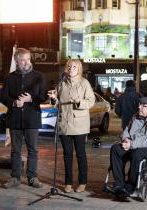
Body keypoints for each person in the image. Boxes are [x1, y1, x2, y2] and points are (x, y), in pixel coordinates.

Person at [1, 48, 48, 189]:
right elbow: (3, 97)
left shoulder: (39, 76)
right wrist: (14, 102)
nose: (26, 62)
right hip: (15, 119)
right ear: (16, 61)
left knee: (33, 150)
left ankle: (32, 178)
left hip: (32, 119)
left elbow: (43, 97)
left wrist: (31, 98)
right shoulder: (9, 77)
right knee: (15, 150)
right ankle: (15, 178)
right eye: (22, 60)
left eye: (28, 59)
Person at [48, 59, 95, 193]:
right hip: (64, 124)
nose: (71, 68)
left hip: (79, 124)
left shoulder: (84, 83)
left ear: (79, 68)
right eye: (69, 66)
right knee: (67, 155)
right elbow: (57, 103)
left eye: (74, 66)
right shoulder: (62, 84)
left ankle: (82, 182)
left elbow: (91, 101)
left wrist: (79, 102)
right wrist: (53, 98)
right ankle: (68, 182)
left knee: (80, 154)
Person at [105, 96, 147, 196]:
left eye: (143, 106)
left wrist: (132, 144)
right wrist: (126, 140)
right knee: (115, 149)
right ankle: (119, 184)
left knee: (137, 154)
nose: (139, 107)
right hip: (132, 145)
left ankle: (130, 186)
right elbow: (127, 131)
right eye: (139, 105)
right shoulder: (135, 116)